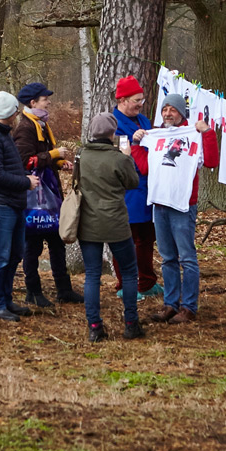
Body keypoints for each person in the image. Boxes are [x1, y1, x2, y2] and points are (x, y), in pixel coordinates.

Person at [151, 93, 218, 324]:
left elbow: (211, 161)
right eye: (165, 109)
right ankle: (171, 304)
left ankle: (189, 306)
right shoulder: (156, 134)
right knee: (167, 257)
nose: (168, 114)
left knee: (187, 258)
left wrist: (207, 133)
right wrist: (139, 141)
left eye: (172, 110)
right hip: (159, 203)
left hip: (182, 205)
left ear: (181, 113)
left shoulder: (194, 134)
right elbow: (141, 164)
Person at [12, 81, 80, 307]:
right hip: (33, 199)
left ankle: (64, 289)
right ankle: (33, 291)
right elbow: (25, 161)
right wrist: (53, 153)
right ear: (33, 102)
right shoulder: (25, 128)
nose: (49, 102)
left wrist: (60, 162)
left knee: (57, 242)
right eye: (45, 99)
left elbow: (42, 157)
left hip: (48, 197)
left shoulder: (41, 124)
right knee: (32, 246)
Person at [76, 112, 143, 342]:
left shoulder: (81, 155)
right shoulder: (119, 158)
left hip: (88, 224)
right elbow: (133, 182)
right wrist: (128, 157)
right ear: (112, 134)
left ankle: (95, 326)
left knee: (92, 275)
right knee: (129, 272)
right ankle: (131, 324)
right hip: (116, 223)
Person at [0, 90, 38, 321]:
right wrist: (25, 182)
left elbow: (7, 167)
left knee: (14, 254)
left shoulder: (2, 133)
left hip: (12, 202)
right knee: (0, 256)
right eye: (15, 111)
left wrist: (24, 176)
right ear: (9, 113)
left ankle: (6, 299)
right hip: (0, 204)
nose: (17, 115)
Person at [111, 76, 159, 299]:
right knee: (126, 240)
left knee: (147, 238)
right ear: (122, 100)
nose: (140, 103)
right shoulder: (113, 124)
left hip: (149, 189)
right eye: (136, 100)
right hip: (127, 191)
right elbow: (116, 158)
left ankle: (147, 282)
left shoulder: (144, 121)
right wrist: (135, 142)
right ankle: (125, 284)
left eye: (142, 99)